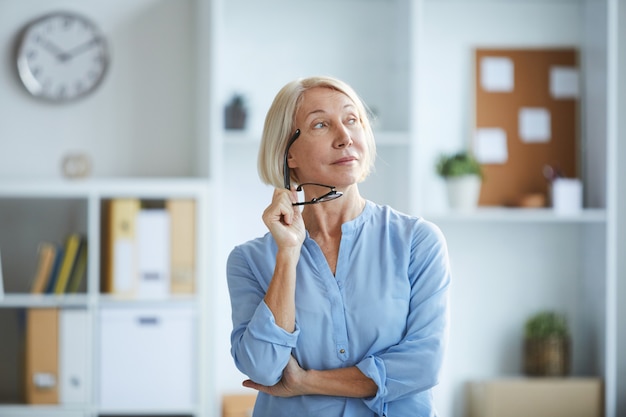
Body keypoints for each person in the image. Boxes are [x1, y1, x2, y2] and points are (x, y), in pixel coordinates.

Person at [226, 76, 451, 417]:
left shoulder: (417, 242)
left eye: (352, 120)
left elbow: (422, 365)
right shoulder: (250, 260)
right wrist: (288, 253)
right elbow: (262, 367)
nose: (345, 138)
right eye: (321, 124)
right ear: (289, 154)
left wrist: (305, 382)